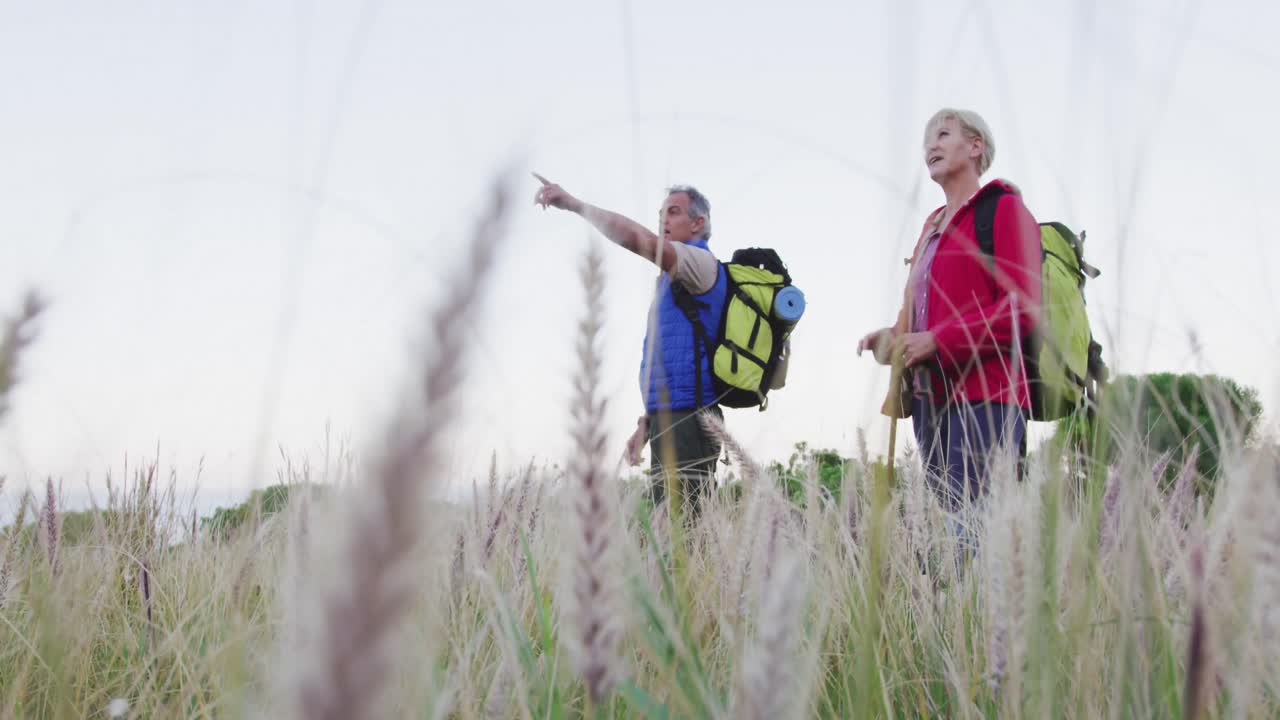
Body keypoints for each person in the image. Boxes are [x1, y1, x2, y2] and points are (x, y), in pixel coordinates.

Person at [857, 109, 1041, 546]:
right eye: (927, 141)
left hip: (985, 400)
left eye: (943, 134)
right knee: (952, 536)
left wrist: (939, 342)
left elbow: (1025, 311)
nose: (931, 146)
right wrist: (892, 338)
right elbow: (921, 313)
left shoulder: (1003, 210)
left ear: (975, 147)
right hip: (929, 404)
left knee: (979, 537)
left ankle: (989, 616)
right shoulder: (931, 228)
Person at [533, 175, 727, 519]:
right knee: (673, 529)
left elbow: (640, 239)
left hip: (691, 420)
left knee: (686, 533)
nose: (663, 220)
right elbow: (675, 359)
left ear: (698, 223)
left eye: (674, 212)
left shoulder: (699, 263)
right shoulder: (672, 281)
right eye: (661, 213)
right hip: (670, 417)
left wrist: (576, 205)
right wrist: (648, 423)